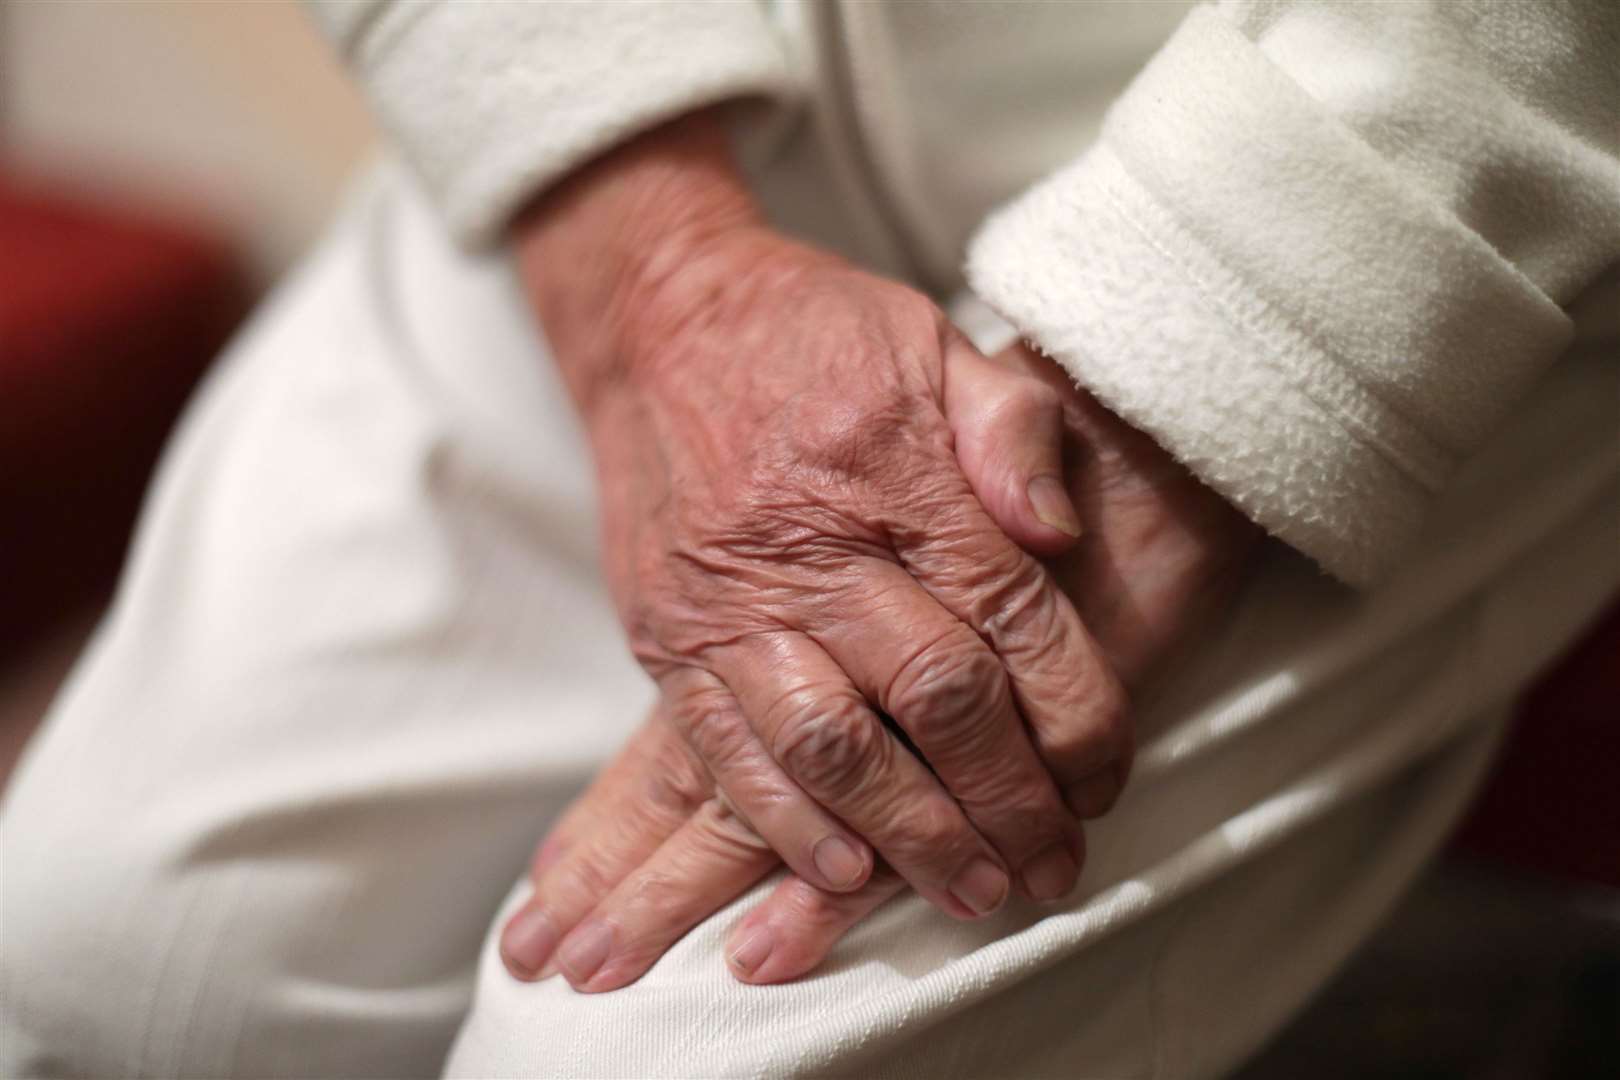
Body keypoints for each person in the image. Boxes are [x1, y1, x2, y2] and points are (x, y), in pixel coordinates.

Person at [3, 1, 1616, 1076]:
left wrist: (1214, 360)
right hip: (630, 96)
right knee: (119, 979)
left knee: (638, 1057)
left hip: (1344, 158)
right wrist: (647, 269)